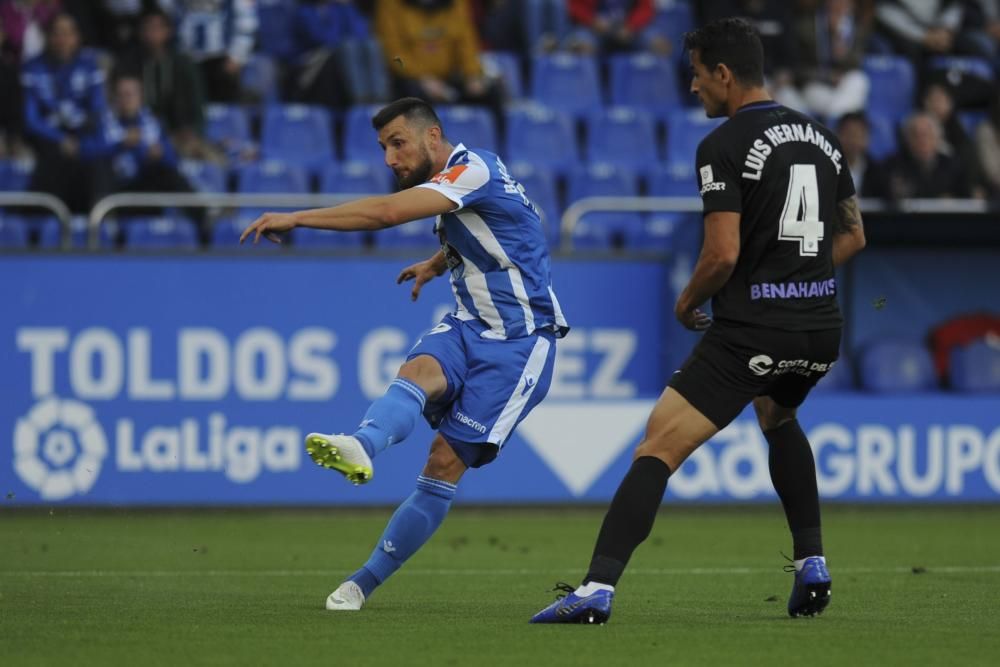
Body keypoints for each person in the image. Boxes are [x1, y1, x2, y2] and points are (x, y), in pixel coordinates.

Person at [531, 17, 866, 625]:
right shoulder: (823, 137)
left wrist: (687, 304)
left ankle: (595, 590)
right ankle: (813, 562)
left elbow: (722, 255)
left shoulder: (722, 145)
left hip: (755, 329)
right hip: (820, 329)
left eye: (695, 75)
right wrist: (794, 275)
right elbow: (852, 235)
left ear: (723, 74)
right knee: (778, 413)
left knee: (657, 445)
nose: (692, 89)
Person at [240, 97, 569, 611]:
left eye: (398, 144)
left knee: (441, 463)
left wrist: (298, 218)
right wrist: (438, 264)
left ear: (432, 137)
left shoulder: (471, 169)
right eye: (383, 148)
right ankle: (364, 446)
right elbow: (505, 225)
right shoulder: (470, 175)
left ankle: (362, 583)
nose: (390, 159)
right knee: (418, 371)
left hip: (518, 345)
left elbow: (388, 213)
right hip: (468, 325)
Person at [21, 12, 112, 213]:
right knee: (51, 163)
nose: (63, 39)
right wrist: (60, 139)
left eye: (68, 33)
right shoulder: (32, 68)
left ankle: (98, 226)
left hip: (82, 138)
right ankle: (43, 230)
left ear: (77, 37)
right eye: (57, 33)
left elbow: (98, 110)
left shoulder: (90, 66)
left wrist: (80, 142)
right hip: (46, 142)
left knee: (99, 159)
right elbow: (31, 119)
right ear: (48, 36)